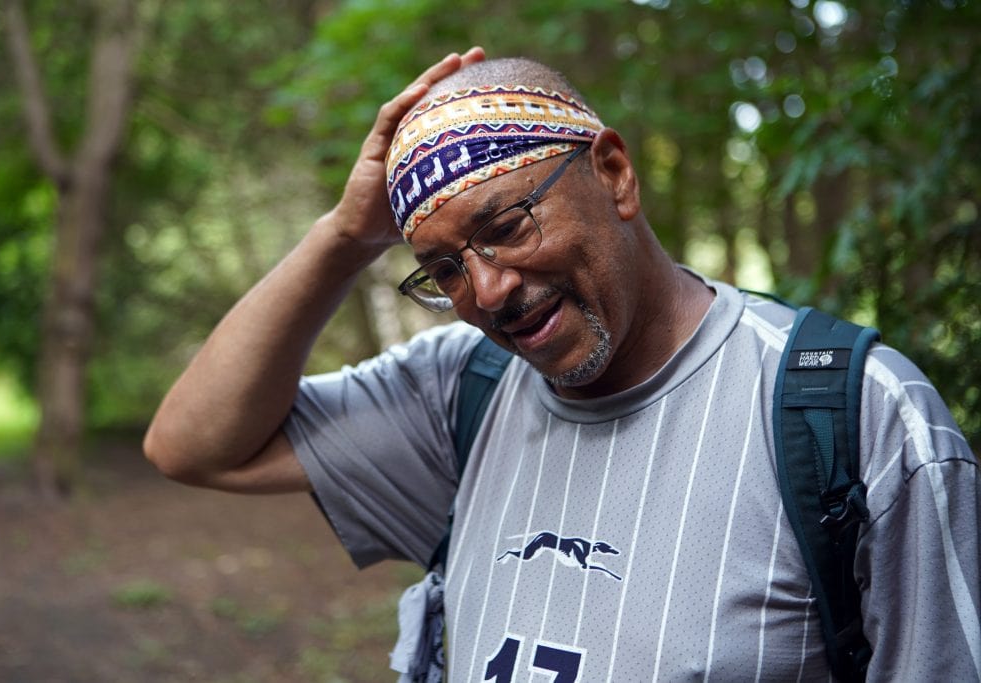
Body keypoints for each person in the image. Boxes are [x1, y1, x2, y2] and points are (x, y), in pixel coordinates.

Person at [144, 48, 981, 681]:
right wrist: (343, 238)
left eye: (508, 224)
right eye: (443, 268)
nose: (488, 289)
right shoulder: (457, 393)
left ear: (614, 173)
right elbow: (194, 444)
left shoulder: (854, 414)